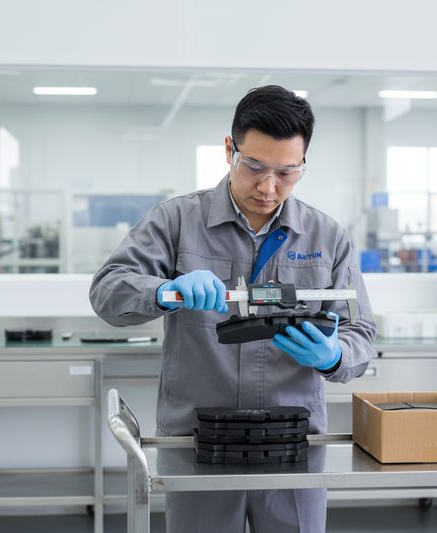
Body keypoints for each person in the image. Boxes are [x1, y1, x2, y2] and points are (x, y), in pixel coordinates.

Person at [90, 85, 377, 532]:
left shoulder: (327, 236)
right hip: (200, 444)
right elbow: (108, 291)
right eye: (255, 167)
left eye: (287, 172)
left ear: (303, 165)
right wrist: (166, 291)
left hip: (292, 445)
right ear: (230, 150)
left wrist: (335, 355)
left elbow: (361, 333)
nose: (268, 187)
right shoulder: (176, 221)